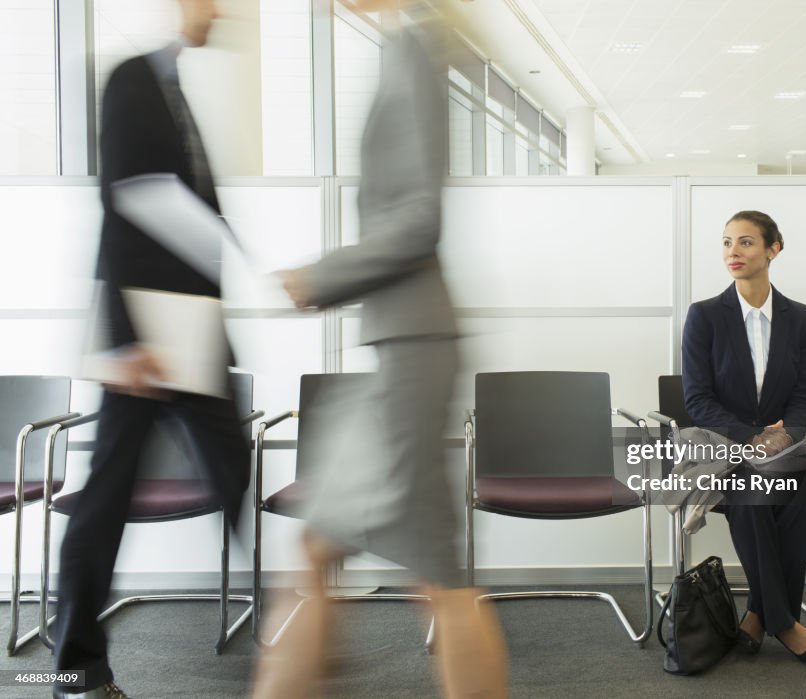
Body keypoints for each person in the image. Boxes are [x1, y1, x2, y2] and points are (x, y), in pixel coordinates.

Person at [252, 2, 508, 698]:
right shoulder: (407, 43)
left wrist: (323, 276)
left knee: (433, 572)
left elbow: (419, 219)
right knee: (335, 550)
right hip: (404, 346)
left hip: (413, 346)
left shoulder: (414, 47)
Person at [51, 3, 250, 699]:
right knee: (106, 498)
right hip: (148, 342)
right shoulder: (133, 80)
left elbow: (185, 210)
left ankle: (280, 632)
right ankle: (77, 668)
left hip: (193, 334)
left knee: (233, 470)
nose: (218, 11)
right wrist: (127, 340)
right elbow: (122, 203)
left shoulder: (175, 89)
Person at [682, 210, 806, 663]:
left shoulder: (801, 319)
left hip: (784, 446)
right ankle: (785, 623)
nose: (733, 252)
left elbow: (805, 396)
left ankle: (759, 615)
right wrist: (751, 439)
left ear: (773, 249)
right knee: (753, 495)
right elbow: (697, 399)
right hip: (724, 446)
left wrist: (787, 437)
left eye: (745, 242)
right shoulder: (704, 316)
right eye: (726, 243)